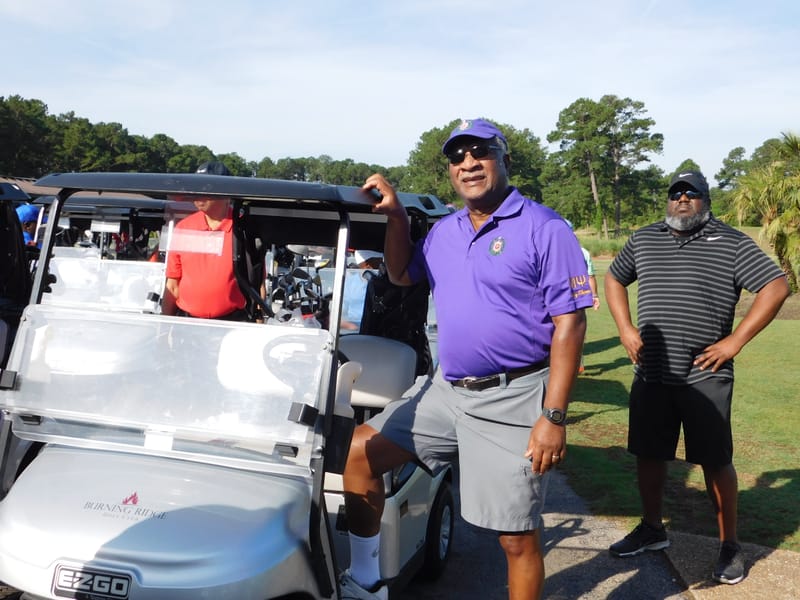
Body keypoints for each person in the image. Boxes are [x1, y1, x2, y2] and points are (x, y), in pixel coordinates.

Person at [340, 118, 594, 600]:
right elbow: (399, 274)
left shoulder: (545, 227)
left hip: (513, 397)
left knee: (514, 537)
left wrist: (553, 416)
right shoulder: (444, 231)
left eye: (480, 151)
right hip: (444, 390)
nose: (468, 163)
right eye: (457, 156)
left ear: (503, 158)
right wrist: (396, 218)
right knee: (359, 454)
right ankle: (367, 581)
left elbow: (571, 324)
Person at [604, 170, 790, 585]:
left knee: (714, 459)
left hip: (705, 372)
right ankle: (652, 528)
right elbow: (614, 277)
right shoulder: (644, 238)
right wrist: (625, 328)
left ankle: (729, 546)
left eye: (692, 194)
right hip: (651, 369)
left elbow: (776, 286)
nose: (682, 199)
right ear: (667, 200)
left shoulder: (732, 243)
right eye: (675, 193)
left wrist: (734, 342)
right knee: (649, 453)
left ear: (706, 201)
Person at [162, 161, 248, 320]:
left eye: (206, 187)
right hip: (188, 325)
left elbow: (257, 284)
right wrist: (163, 326)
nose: (198, 193)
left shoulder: (244, 230)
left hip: (232, 324)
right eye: (197, 186)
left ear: (226, 192)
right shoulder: (184, 229)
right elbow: (172, 285)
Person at [341, 250, 383, 332]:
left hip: (376, 327)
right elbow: (339, 312)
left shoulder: (382, 282)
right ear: (367, 265)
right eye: (379, 261)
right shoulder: (350, 282)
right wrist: (351, 326)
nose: (381, 263)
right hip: (353, 328)